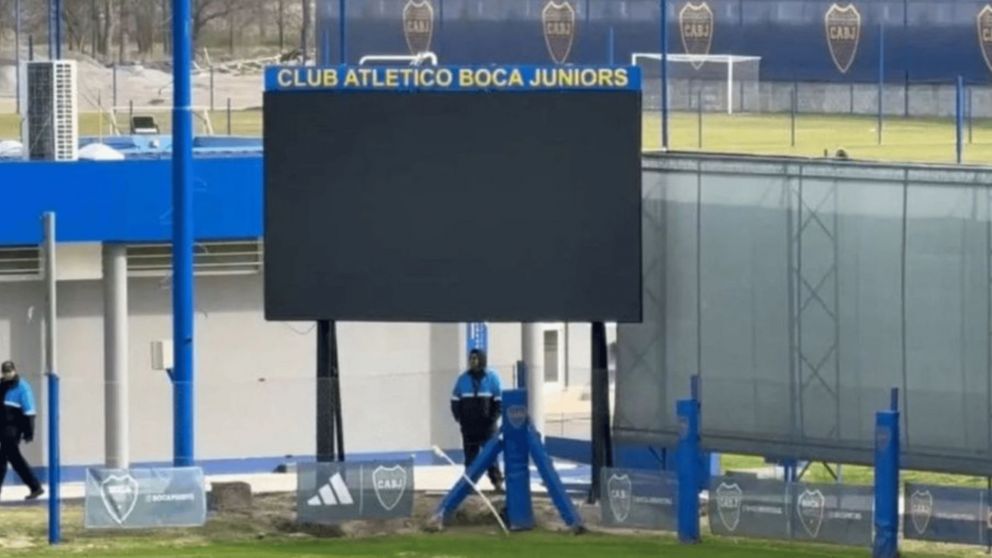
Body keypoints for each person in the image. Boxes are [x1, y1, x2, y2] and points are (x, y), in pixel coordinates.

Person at [450, 348, 504, 493]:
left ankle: (497, 482)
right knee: (470, 458)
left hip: (488, 428)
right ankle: (469, 485)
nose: (473, 361)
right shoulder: (463, 379)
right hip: (469, 428)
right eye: (471, 358)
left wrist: (492, 420)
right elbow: (455, 400)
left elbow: (499, 402)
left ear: (482, 359)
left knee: (491, 457)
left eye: (475, 358)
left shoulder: (492, 378)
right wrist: (459, 419)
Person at [0, 361, 43, 501]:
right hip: (3, 428)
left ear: (14, 370)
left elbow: (29, 410)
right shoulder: (2, 385)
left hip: (13, 429)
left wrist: (29, 431)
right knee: (8, 459)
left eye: (9, 371)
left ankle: (35, 486)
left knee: (11, 459)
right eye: (5, 372)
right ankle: (35, 487)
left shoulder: (22, 387)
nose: (7, 374)